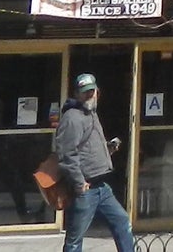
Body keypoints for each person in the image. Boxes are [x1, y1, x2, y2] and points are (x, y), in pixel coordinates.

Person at [54, 73, 132, 252]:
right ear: (76, 94)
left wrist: (107, 149)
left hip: (101, 187)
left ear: (98, 91)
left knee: (122, 221)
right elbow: (67, 154)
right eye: (85, 92)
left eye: (91, 91)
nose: (89, 95)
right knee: (75, 239)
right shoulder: (72, 117)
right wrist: (79, 183)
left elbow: (86, 147)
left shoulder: (91, 113)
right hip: (86, 188)